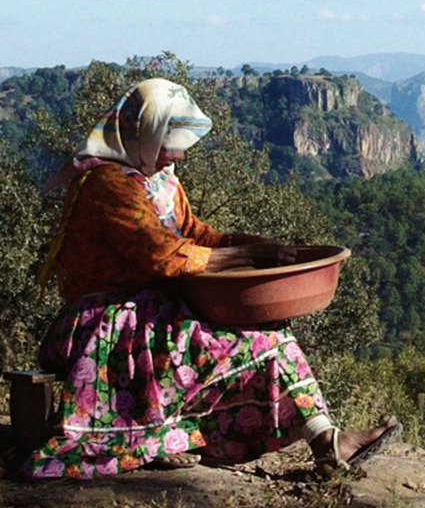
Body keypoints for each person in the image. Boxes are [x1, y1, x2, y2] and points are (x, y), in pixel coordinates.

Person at [24, 77, 397, 479]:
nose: (179, 157)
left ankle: (322, 438)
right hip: (107, 320)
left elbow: (194, 235)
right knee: (264, 338)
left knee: (267, 330)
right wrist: (246, 256)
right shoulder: (107, 186)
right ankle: (322, 440)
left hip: (148, 309)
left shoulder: (158, 180)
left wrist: (255, 245)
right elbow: (163, 254)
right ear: (147, 134)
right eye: (172, 146)